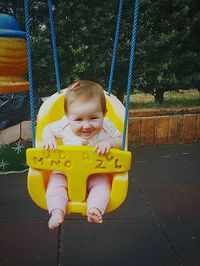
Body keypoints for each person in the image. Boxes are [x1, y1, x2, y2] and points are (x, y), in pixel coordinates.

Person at [42, 80, 122, 229]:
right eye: (78, 119)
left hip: (96, 171)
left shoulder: (106, 125)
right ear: (68, 116)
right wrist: (49, 138)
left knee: (102, 187)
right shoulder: (64, 124)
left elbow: (121, 141)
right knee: (55, 186)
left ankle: (94, 209)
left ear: (104, 114)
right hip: (64, 171)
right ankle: (57, 211)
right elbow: (47, 128)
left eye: (93, 118)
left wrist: (110, 143)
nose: (86, 125)